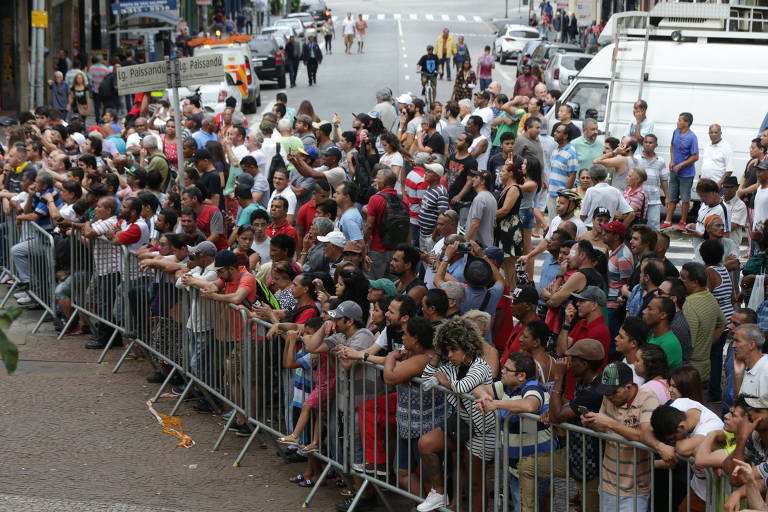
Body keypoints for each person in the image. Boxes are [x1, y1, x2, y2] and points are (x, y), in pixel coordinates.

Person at [417, 316, 496, 512]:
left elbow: (462, 387)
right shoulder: (452, 366)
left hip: (483, 430)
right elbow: (426, 380)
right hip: (461, 422)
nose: (449, 355)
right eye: (447, 350)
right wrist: (435, 358)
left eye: (454, 350)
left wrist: (443, 382)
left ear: (467, 347)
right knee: (426, 444)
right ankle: (439, 493)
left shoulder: (480, 366)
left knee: (475, 482)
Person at [518, 338, 605, 512]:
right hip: (573, 453)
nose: (568, 363)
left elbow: (558, 417)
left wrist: (558, 378)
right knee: (526, 466)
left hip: (591, 463)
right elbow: (569, 406)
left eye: (572, 359)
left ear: (585, 364)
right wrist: (556, 409)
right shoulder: (584, 382)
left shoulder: (596, 390)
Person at [581, 361, 659, 512]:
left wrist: (611, 423)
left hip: (635, 490)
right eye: (606, 393)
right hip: (607, 483)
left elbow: (645, 436)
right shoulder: (609, 397)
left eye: (614, 392)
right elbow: (603, 427)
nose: (609, 397)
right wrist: (592, 423)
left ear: (628, 387)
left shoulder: (648, 399)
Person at [647, 399, 724, 512]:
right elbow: (647, 431)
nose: (672, 443)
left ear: (681, 427)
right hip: (699, 488)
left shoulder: (711, 426)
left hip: (719, 492)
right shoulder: (679, 405)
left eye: (673, 439)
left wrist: (670, 447)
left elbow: (684, 449)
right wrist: (660, 446)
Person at [680, 262, 725, 393]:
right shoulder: (710, 297)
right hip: (704, 368)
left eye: (683, 278)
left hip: (689, 371)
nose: (679, 280)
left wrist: (702, 344)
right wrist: (707, 343)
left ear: (694, 282)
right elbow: (722, 324)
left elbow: (689, 343)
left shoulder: (689, 305)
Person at [662, 112, 700, 229]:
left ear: (687, 123)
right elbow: (672, 146)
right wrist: (672, 161)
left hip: (686, 174)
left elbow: (695, 156)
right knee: (672, 196)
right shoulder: (676, 132)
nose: (677, 122)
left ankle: (683, 221)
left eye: (680, 120)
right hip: (674, 171)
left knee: (685, 198)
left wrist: (681, 165)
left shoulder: (692, 137)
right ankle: (668, 220)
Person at [643, 296, 683, 369]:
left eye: (650, 309)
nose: (644, 311)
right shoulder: (652, 334)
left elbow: (652, 371)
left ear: (663, 315)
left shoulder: (669, 344)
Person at [465, 168, 496, 248]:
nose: (472, 179)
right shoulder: (491, 197)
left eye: (476, 177)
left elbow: (475, 224)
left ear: (483, 182)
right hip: (487, 244)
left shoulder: (480, 198)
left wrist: (466, 242)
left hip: (477, 246)